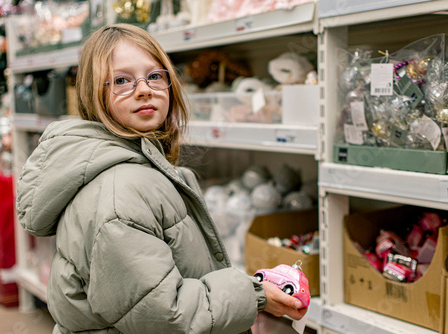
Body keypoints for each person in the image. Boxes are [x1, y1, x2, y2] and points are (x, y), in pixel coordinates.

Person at [16, 23, 307, 334]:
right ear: (92, 93)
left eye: (154, 76)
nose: (144, 89)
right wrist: (254, 295)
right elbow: (164, 314)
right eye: (121, 80)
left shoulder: (140, 168)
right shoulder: (119, 193)